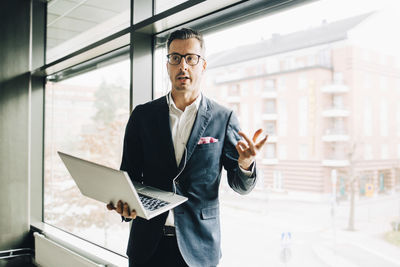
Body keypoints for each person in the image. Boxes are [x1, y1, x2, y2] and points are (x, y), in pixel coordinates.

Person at [107, 28, 267, 267]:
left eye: (191, 58)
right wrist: (124, 204)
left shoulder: (223, 118)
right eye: (175, 58)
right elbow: (128, 176)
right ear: (168, 65)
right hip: (147, 246)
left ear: (203, 65)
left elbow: (241, 187)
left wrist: (245, 165)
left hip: (199, 249)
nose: (183, 66)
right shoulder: (142, 116)